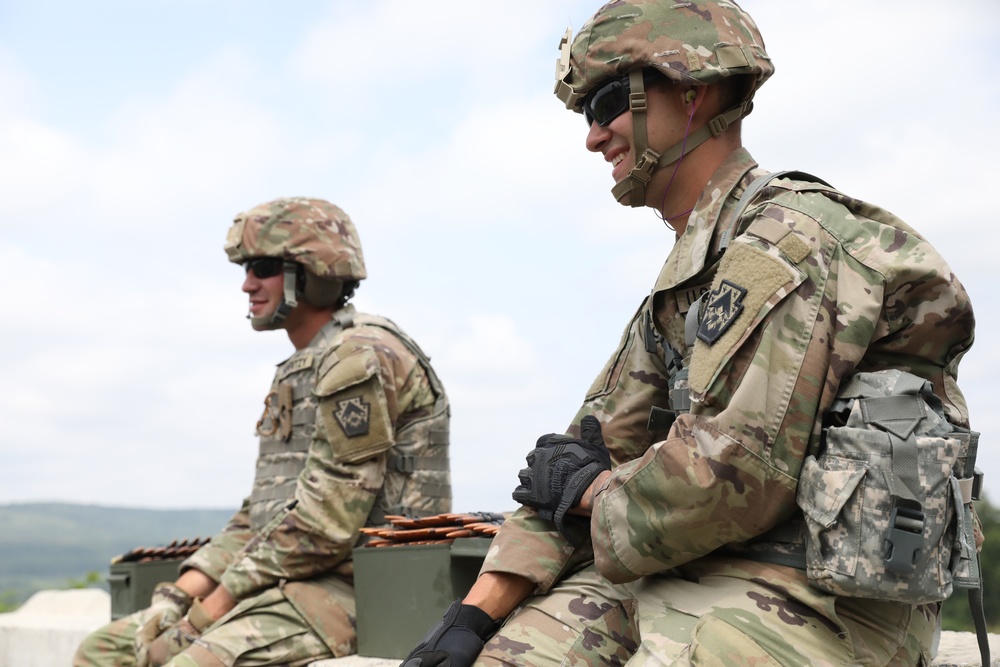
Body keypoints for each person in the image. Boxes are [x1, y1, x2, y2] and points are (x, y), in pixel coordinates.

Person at [400, 1, 983, 665]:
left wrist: (593, 491)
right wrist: (471, 616)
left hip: (817, 597)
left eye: (606, 105)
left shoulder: (787, 245)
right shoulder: (691, 275)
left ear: (692, 92)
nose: (593, 136)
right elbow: (575, 459)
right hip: (680, 568)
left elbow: (732, 480)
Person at [75, 197, 452, 667]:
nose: (246, 284)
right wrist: (177, 596)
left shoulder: (359, 356)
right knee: (105, 651)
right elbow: (262, 517)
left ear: (314, 273)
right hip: (290, 577)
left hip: (361, 586)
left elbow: (324, 527)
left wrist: (203, 615)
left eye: (263, 267)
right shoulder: (305, 364)